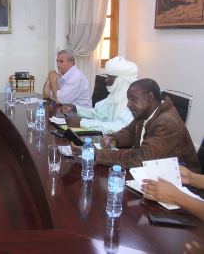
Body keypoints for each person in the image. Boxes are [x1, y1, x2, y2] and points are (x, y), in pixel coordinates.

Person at [71, 78, 200, 173]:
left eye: (133, 99)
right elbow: (129, 132)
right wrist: (113, 138)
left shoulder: (166, 123)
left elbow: (141, 158)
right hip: (155, 173)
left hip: (182, 185)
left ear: (149, 97)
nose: (128, 104)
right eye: (128, 99)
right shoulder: (145, 114)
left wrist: (97, 154)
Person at [62, 57, 138, 133]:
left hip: (121, 142)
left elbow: (116, 127)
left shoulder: (132, 101)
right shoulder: (115, 95)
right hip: (107, 138)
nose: (106, 80)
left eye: (109, 77)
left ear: (120, 80)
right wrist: (75, 108)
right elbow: (99, 114)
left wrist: (82, 123)